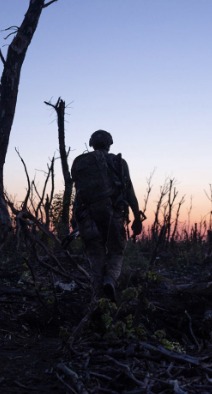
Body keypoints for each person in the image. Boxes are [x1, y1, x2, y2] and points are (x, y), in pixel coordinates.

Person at [71, 129, 144, 301]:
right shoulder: (119, 162)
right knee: (116, 252)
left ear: (92, 144)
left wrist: (75, 220)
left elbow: (78, 195)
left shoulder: (81, 163)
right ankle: (110, 280)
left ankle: (97, 298)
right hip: (114, 216)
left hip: (87, 216)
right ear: (109, 144)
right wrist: (137, 218)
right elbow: (129, 191)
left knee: (95, 256)